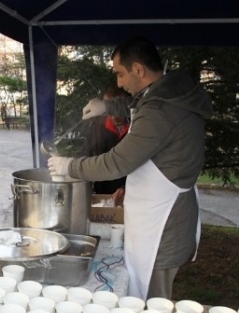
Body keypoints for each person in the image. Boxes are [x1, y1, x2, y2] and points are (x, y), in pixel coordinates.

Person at [48, 36, 213, 301]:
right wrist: (107, 106)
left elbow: (116, 162)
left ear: (138, 69)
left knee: (155, 300)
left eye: (120, 74)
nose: (119, 83)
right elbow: (137, 103)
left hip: (163, 226)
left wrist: (69, 166)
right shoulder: (165, 93)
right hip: (157, 213)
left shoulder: (161, 110)